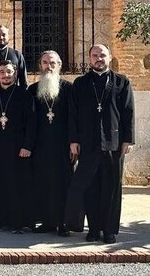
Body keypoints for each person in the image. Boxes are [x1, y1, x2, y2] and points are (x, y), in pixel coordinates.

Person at [65, 44, 134, 244]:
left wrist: (128, 140)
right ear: (89, 58)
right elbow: (73, 114)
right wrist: (73, 141)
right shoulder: (80, 83)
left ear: (110, 57)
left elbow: (128, 112)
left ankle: (109, 230)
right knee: (91, 188)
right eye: (95, 55)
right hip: (88, 144)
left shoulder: (122, 82)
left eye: (102, 55)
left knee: (112, 188)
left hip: (114, 144)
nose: (98, 58)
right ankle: (94, 229)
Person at [0, 60, 33, 233]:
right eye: (2, 72)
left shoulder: (24, 95)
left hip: (18, 149)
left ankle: (17, 223)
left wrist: (27, 146)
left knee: (16, 186)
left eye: (9, 72)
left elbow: (32, 123)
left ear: (15, 74)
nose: (5, 75)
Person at [28, 50, 74, 237]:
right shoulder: (33, 90)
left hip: (63, 146)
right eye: (45, 62)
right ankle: (47, 221)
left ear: (59, 65)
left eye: (53, 62)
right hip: (41, 146)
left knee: (64, 184)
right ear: (40, 65)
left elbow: (74, 118)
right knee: (43, 183)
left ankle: (64, 222)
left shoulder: (69, 89)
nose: (49, 66)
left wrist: (74, 142)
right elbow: (29, 121)